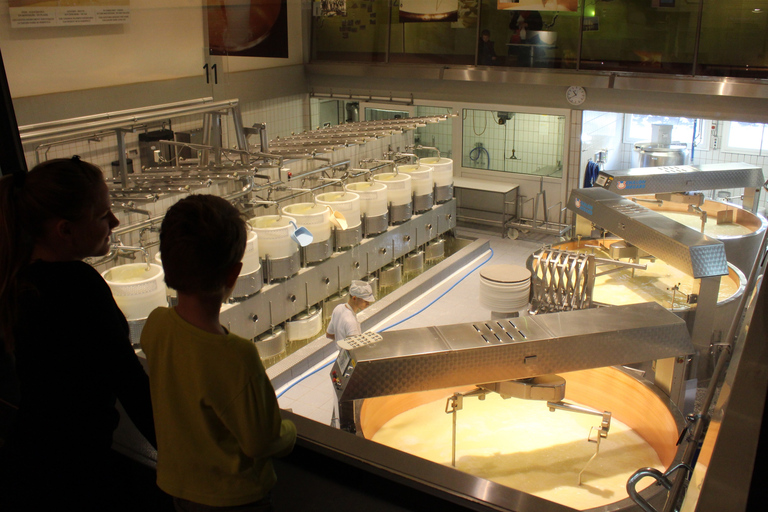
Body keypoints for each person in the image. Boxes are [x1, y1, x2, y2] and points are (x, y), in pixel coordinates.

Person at [0, 157, 157, 511]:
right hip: (69, 474)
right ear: (65, 230)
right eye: (103, 216)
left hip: (29, 462)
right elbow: (129, 383)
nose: (114, 222)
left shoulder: (21, 278)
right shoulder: (77, 287)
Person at [141, 194, 296, 511]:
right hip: (234, 498)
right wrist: (290, 431)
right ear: (233, 274)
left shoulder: (156, 326)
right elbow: (261, 440)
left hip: (178, 489)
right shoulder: (236, 356)